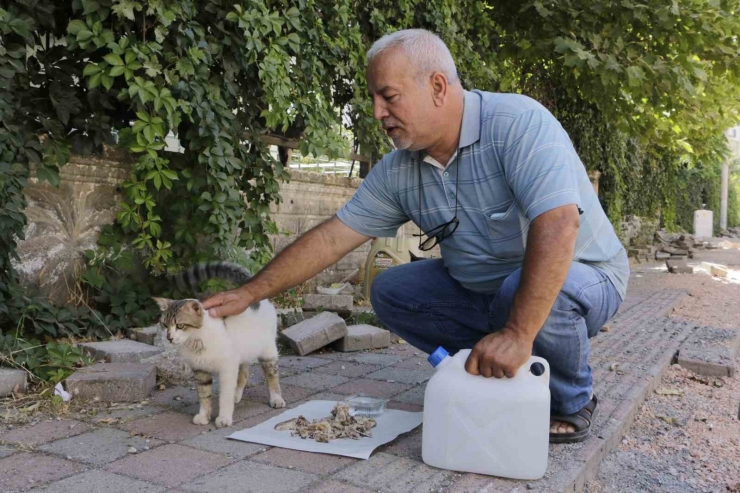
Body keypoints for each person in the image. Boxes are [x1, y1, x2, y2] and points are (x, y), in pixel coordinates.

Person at [203, 29, 629, 443]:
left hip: (585, 276)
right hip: (488, 291)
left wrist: (518, 334)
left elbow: (559, 225)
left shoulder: (518, 124)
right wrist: (250, 293)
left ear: (438, 87)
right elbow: (332, 238)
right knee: (391, 289)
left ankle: (572, 400)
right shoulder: (400, 169)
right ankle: (492, 369)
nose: (376, 112)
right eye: (373, 99)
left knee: (523, 291)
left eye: (388, 96)